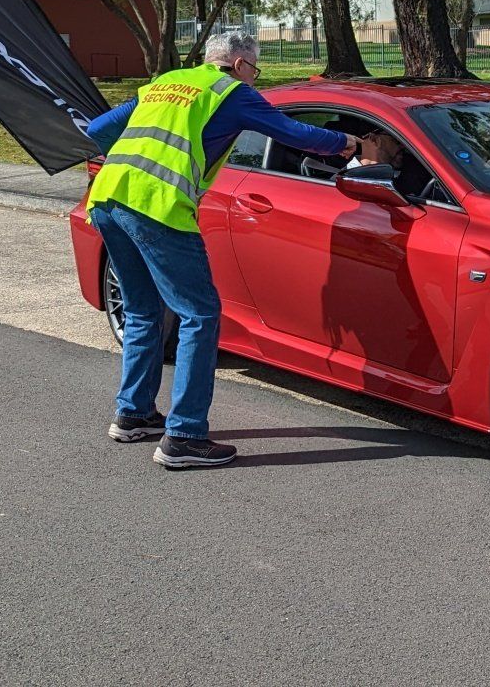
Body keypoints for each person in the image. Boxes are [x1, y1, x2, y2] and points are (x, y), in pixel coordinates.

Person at [85, 31, 357, 469]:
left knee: (142, 310)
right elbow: (293, 132)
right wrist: (348, 145)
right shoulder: (231, 93)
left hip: (108, 198)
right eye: (255, 69)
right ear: (239, 64)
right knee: (200, 313)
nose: (255, 77)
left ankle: (133, 413)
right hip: (157, 207)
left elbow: (98, 129)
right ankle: (184, 437)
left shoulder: (170, 81)